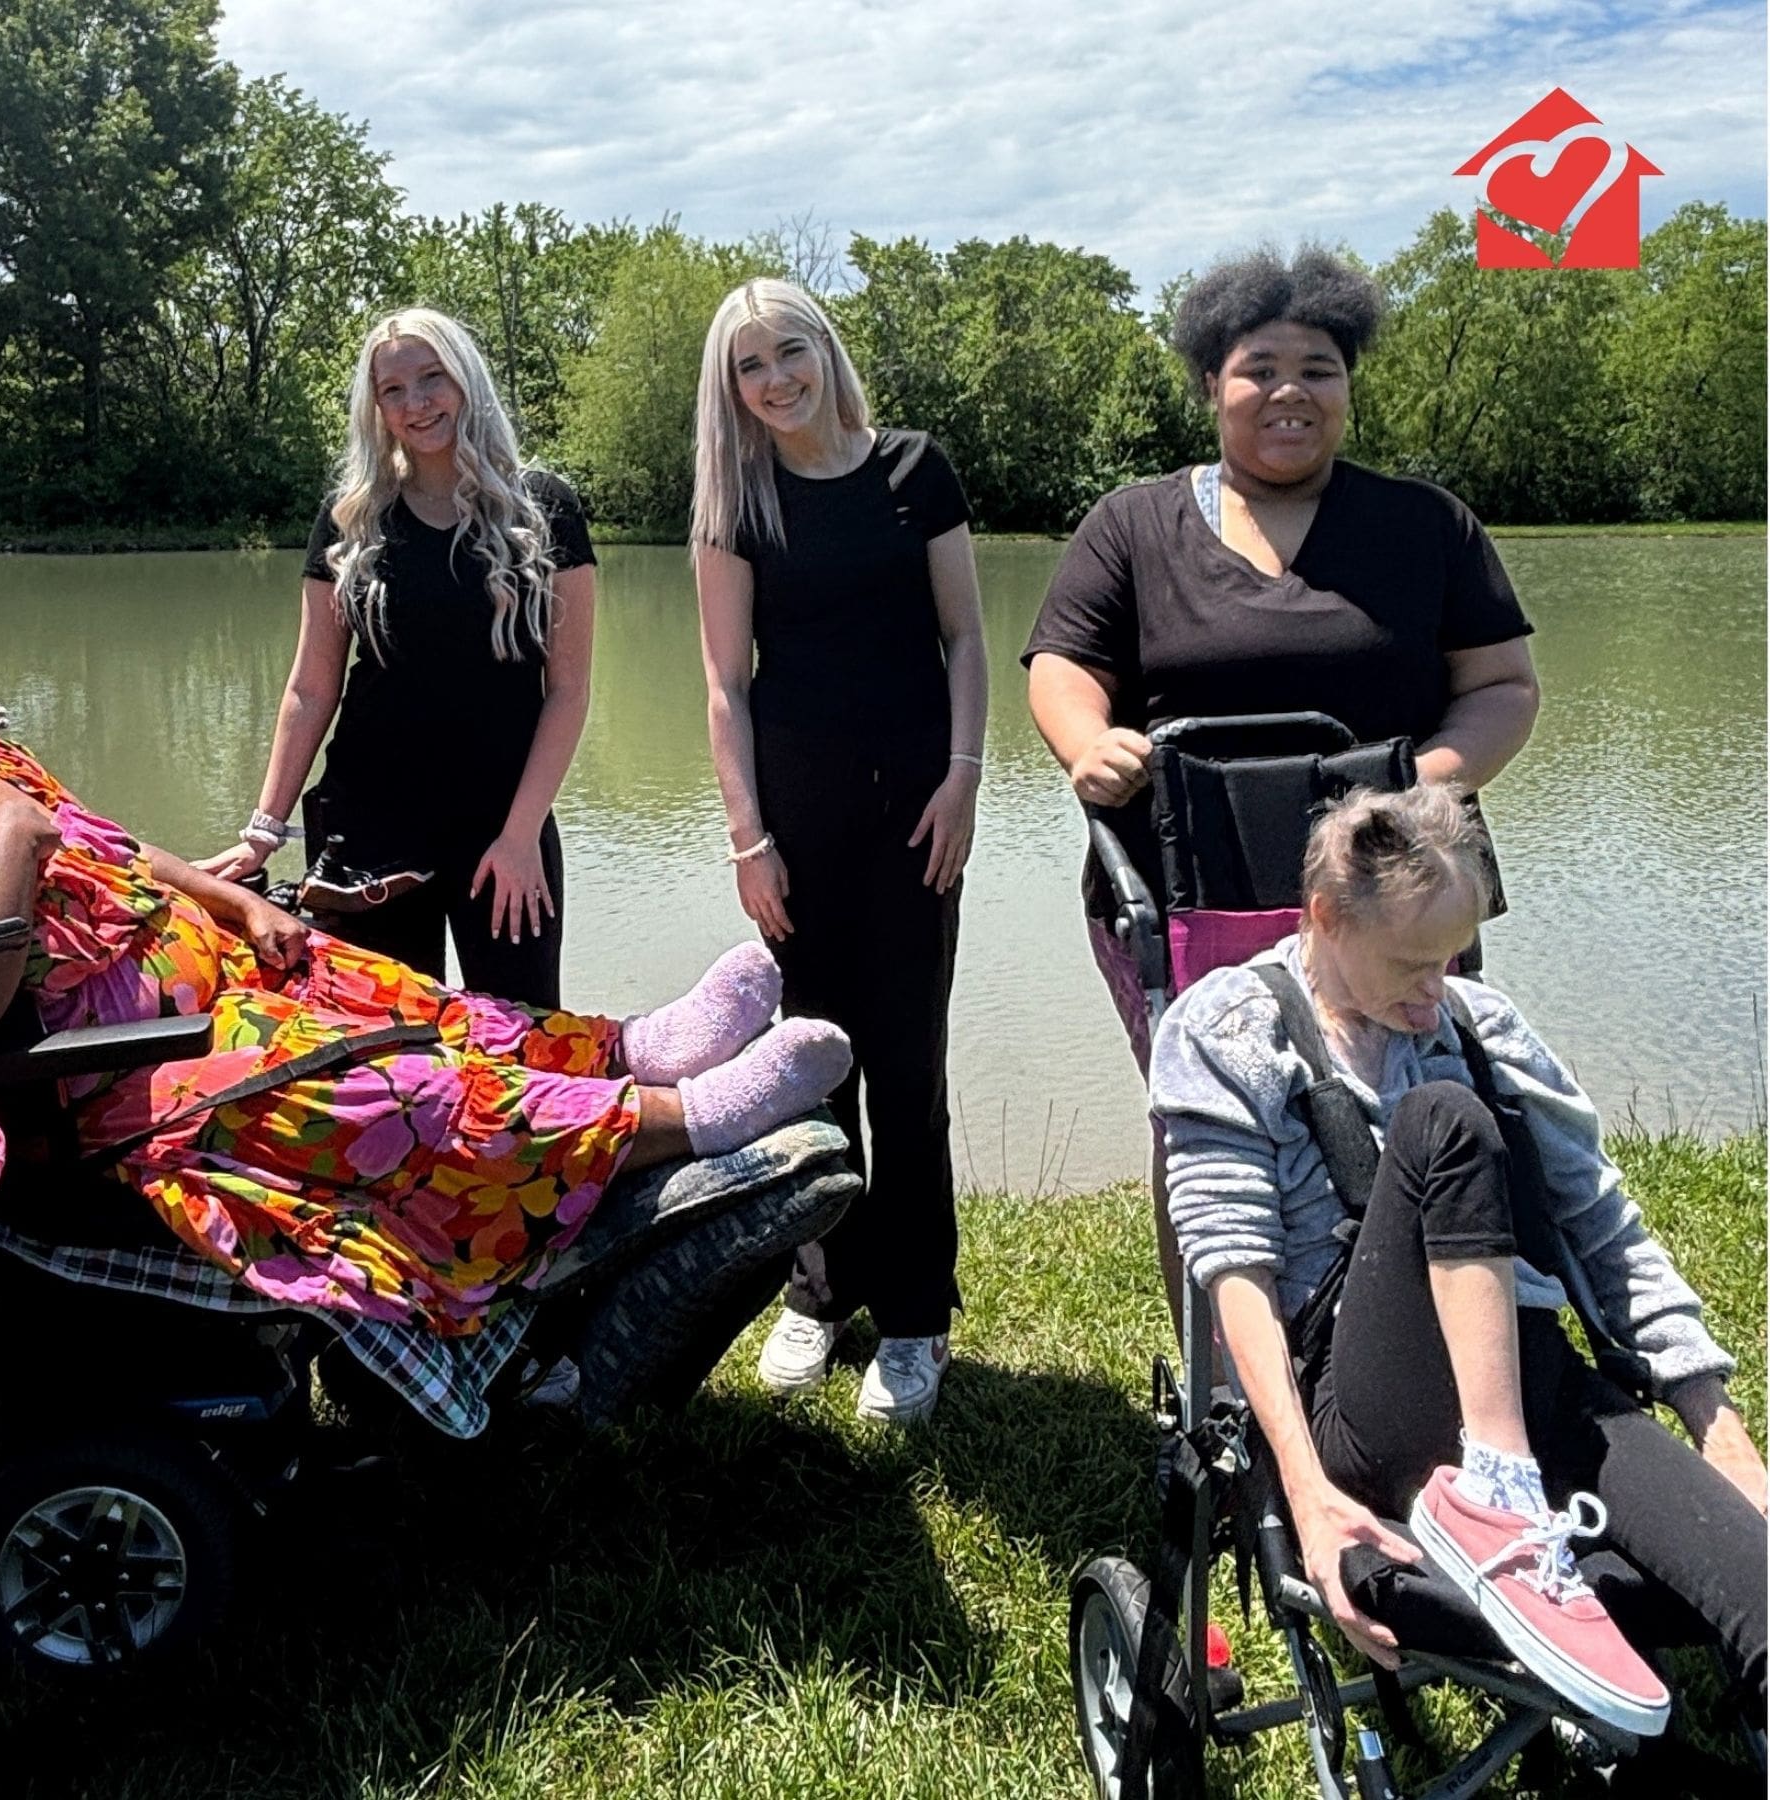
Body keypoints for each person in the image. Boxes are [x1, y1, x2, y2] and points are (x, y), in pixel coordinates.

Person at [0, 554, 852, 1344]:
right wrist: (14, 851)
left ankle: (634, 1051)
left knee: (411, 999)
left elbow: (127, 855)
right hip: (105, 1078)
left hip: (204, 982)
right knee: (395, 1089)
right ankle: (685, 1122)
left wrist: (239, 907)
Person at [1153, 784, 1763, 1736]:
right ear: (1325, 917)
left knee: (1759, 1581)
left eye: (1450, 960)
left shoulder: (1482, 1024)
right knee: (1447, 1124)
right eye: (1409, 963)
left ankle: (1512, 1481)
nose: (1436, 993)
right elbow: (1235, 1273)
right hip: (1361, 1396)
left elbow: (1600, 1223)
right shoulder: (1228, 1029)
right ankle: (1500, 1495)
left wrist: (1716, 1424)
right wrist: (1306, 1496)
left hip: (1532, 1372)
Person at [1022, 247, 1542, 1311]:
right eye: (1260, 366)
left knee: (1421, 1103)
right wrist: (1086, 743)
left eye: (1321, 367)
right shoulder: (1130, 523)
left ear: (1349, 388)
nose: (1291, 391)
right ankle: (1234, 1377)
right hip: (1183, 884)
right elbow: (1065, 667)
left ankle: (1419, 1342)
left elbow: (1502, 686)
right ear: (1212, 383)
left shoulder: (1425, 524)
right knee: (1213, 1116)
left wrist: (1410, 787)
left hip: (1395, 881)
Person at [689, 277, 989, 1425]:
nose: (776, 380)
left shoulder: (916, 469)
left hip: (919, 810)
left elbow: (965, 636)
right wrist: (748, 840)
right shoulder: (736, 500)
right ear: (732, 389)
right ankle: (821, 1292)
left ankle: (916, 1315)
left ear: (827, 351)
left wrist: (964, 778)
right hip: (796, 821)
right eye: (750, 366)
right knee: (814, 1057)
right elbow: (722, 685)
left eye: (791, 351)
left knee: (908, 1067)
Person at [195, 308, 596, 1010]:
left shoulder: (546, 512)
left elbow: (567, 690)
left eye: (432, 378)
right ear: (375, 407)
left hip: (504, 835)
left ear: (465, 379)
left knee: (531, 1049)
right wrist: (263, 831)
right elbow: (309, 690)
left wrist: (522, 834)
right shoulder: (352, 518)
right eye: (393, 390)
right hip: (369, 836)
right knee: (392, 1060)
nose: (416, 403)